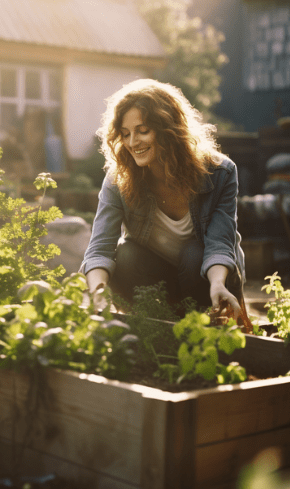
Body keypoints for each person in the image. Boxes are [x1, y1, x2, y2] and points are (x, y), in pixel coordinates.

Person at [80, 78, 249, 323]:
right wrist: (97, 293)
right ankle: (152, 323)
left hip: (207, 279)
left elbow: (220, 243)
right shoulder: (119, 179)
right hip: (158, 279)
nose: (132, 142)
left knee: (193, 254)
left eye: (142, 130)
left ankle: (205, 323)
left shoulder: (220, 172)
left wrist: (218, 284)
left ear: (169, 128)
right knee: (125, 254)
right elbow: (99, 248)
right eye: (125, 134)